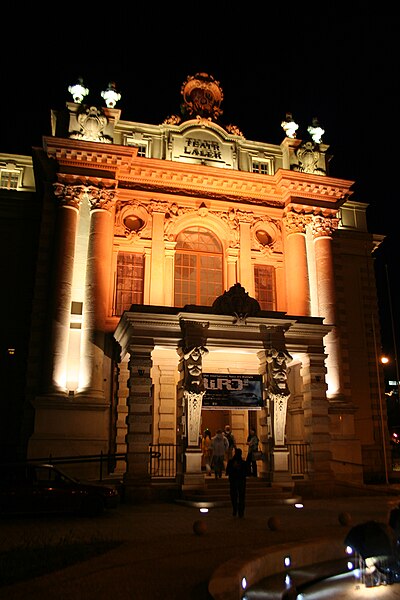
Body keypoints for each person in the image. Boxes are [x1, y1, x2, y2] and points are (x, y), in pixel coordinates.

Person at [226, 447, 247, 518]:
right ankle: (240, 511)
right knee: (241, 497)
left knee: (235, 496)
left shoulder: (231, 462)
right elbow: (246, 473)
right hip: (240, 481)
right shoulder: (243, 463)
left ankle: (236, 509)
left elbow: (227, 471)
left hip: (235, 481)